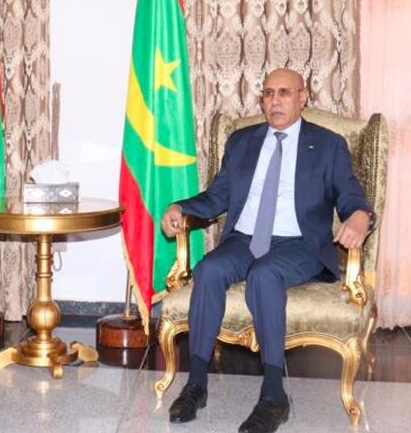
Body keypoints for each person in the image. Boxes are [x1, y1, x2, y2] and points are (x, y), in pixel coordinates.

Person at [160, 68, 374, 433]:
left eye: (285, 93)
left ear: (303, 97)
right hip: (244, 240)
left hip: (299, 244)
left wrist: (359, 216)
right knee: (209, 270)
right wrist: (180, 207)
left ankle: (274, 395)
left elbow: (350, 195)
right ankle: (196, 384)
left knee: (265, 274)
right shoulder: (242, 141)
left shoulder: (328, 144)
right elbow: (218, 196)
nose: (275, 101)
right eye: (269, 93)